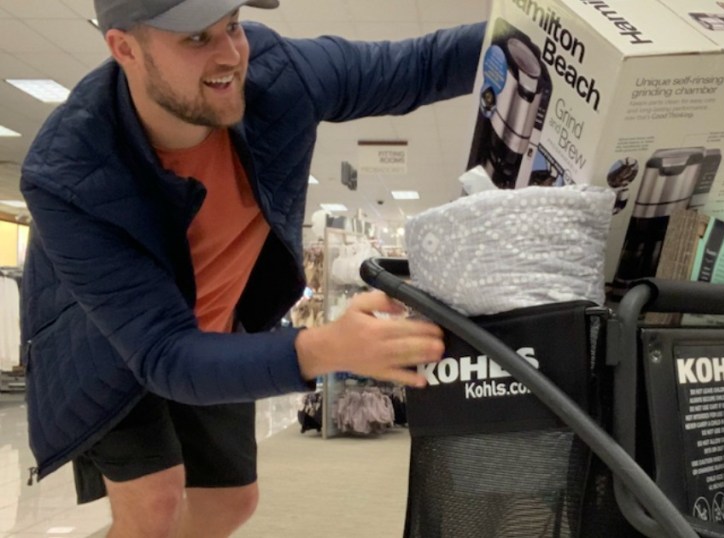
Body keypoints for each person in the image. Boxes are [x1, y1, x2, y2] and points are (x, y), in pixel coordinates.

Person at [19, 1, 485, 536]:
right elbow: (162, 352)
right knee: (154, 502)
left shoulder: (278, 70)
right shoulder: (67, 174)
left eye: (233, 27)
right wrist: (324, 348)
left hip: (217, 330)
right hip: (108, 345)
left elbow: (421, 66)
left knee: (231, 502)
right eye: (196, 38)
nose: (230, 55)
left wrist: (540, 33)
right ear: (124, 48)